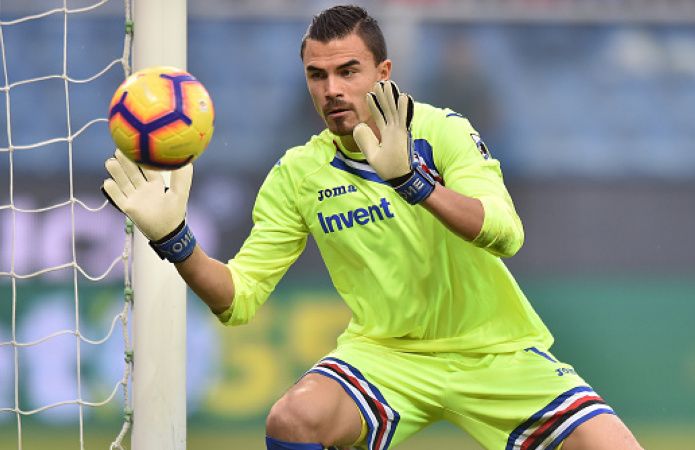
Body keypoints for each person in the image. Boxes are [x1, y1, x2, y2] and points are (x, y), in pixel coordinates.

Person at [102, 5, 643, 450]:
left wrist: (413, 181)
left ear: (383, 73)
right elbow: (237, 300)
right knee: (293, 420)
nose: (331, 89)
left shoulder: (440, 132)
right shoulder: (298, 173)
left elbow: (506, 232)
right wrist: (177, 242)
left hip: (495, 351)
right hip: (386, 357)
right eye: (317, 75)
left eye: (348, 71)